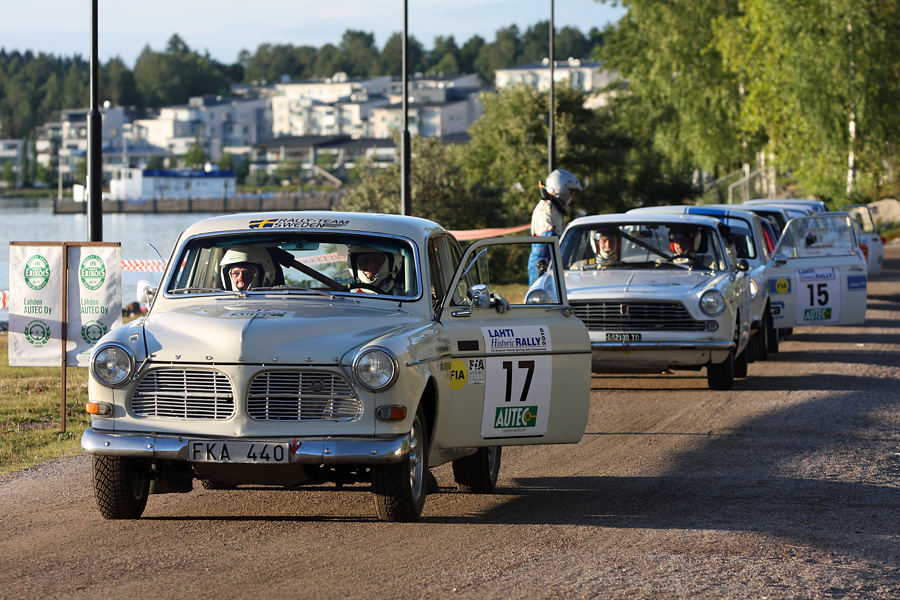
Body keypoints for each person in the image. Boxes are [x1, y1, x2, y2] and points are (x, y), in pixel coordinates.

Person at [528, 169, 582, 284]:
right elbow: (549, 238)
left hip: (552, 260)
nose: (573, 196)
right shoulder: (546, 208)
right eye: (571, 191)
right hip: (542, 262)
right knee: (542, 292)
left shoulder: (554, 208)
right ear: (562, 190)